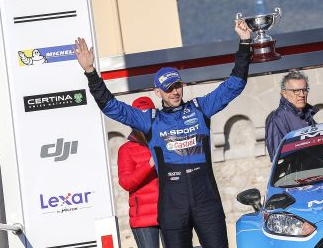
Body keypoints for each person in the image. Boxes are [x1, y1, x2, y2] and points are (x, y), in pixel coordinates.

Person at [74, 19, 252, 248]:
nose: (174, 92)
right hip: (173, 205)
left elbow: (235, 84)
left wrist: (245, 43)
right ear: (157, 92)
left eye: (177, 86)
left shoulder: (200, 108)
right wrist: (91, 72)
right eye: (168, 88)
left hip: (206, 200)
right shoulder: (150, 120)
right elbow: (111, 107)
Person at [118, 96, 161, 248]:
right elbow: (126, 183)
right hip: (143, 218)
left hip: (170, 212)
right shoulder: (126, 150)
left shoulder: (165, 140)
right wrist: (149, 164)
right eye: (140, 116)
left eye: (148, 115)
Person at [265, 70, 318, 160]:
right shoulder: (277, 118)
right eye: (296, 91)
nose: (302, 94)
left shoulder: (307, 114)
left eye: (304, 90)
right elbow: (278, 157)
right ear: (284, 94)